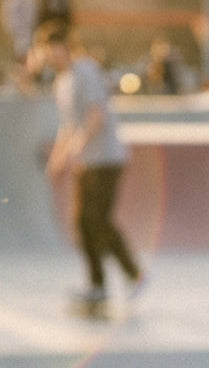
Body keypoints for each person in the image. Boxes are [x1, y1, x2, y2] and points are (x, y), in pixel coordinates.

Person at [36, 21, 143, 311]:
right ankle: (98, 285)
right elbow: (69, 126)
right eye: (47, 50)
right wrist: (58, 160)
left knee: (97, 219)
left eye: (55, 48)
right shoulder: (61, 83)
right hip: (85, 163)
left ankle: (132, 275)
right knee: (83, 223)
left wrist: (76, 150)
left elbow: (96, 115)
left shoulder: (86, 71)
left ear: (65, 46)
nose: (52, 55)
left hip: (107, 159)